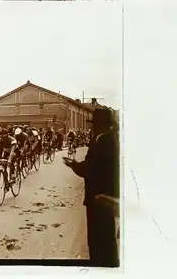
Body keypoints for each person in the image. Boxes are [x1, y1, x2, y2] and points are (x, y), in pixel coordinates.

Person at [63, 108, 119, 267]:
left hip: (100, 198)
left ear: (100, 125)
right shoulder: (106, 139)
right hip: (103, 198)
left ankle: (102, 268)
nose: (92, 127)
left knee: (98, 240)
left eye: (94, 124)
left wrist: (73, 165)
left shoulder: (103, 142)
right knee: (105, 238)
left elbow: (90, 169)